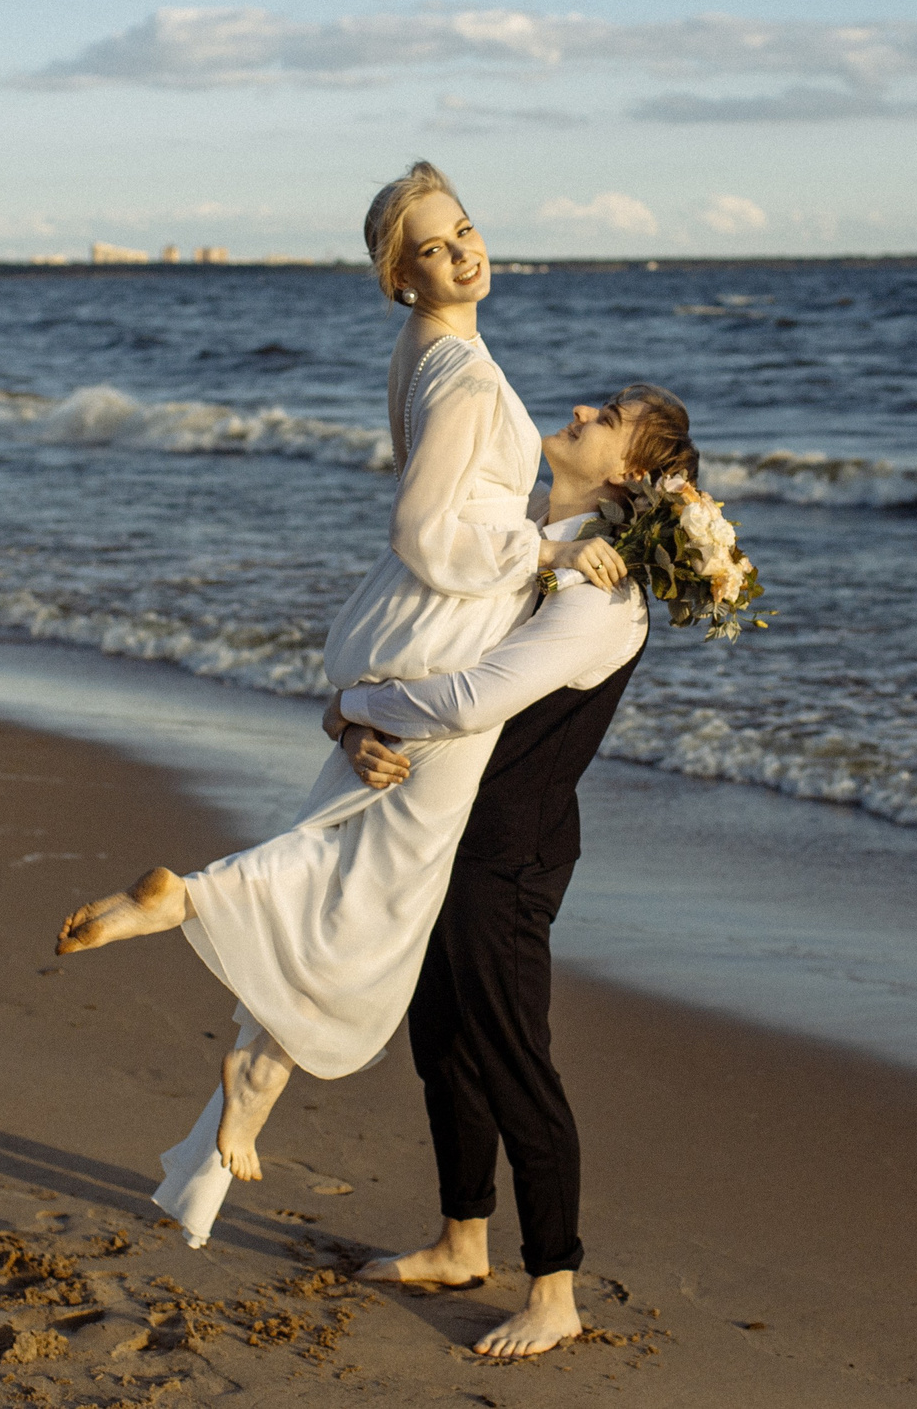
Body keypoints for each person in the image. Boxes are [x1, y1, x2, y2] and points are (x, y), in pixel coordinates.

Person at [52, 162, 625, 1248]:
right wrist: (548, 542)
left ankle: (247, 1064)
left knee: (354, 858)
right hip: (446, 624)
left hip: (415, 623)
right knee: (382, 893)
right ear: (396, 278)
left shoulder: (427, 351)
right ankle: (199, 925)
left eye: (464, 231)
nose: (462, 253)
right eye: (432, 249)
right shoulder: (456, 368)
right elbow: (424, 532)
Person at [328, 384, 694, 1357]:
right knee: (442, 1038)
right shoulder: (530, 546)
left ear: (625, 473)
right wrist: (358, 713)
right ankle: (460, 1240)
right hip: (448, 829)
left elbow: (465, 702)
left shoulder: (600, 595)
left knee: (509, 1054)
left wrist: (359, 704)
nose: (579, 407)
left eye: (606, 415)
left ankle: (554, 1288)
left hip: (509, 855)